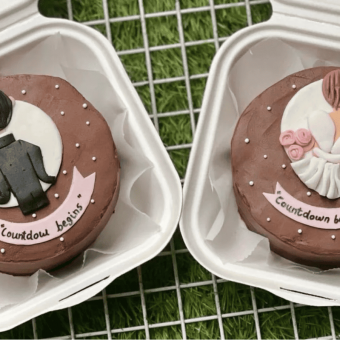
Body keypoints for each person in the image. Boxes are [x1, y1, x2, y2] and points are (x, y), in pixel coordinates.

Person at [0, 90, 55, 215]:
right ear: (11, 103)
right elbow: (35, 152)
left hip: (24, 201)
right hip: (38, 195)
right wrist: (46, 177)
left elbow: (3, 190)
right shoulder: (24, 145)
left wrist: (3, 196)